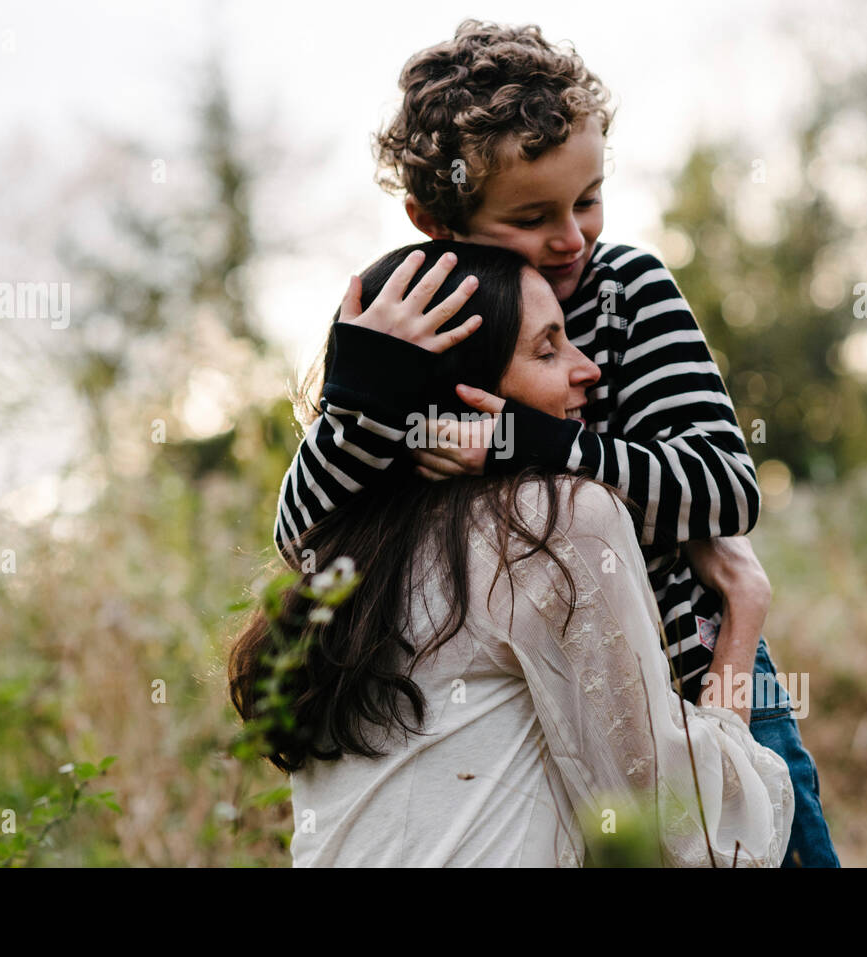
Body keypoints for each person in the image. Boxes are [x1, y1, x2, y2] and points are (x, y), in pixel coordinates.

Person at [272, 21, 839, 866]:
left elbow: (727, 488)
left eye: (589, 199)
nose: (573, 236)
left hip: (689, 673)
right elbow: (304, 538)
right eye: (533, 216)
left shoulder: (629, 292)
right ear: (438, 221)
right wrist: (358, 402)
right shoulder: (428, 325)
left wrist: (532, 441)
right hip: (541, 691)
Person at [230, 241, 794, 866]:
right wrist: (744, 606)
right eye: (548, 349)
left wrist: (367, 397)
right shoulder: (554, 521)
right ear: (467, 391)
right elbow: (689, 831)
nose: (589, 370)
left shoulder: (343, 554)